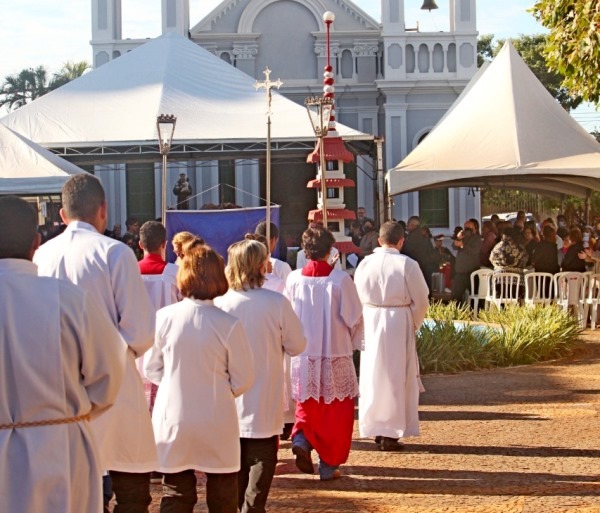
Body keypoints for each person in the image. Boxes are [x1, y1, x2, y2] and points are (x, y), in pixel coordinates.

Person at [33, 174, 157, 513]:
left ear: (62, 215)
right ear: (103, 210)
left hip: (58, 389)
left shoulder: (42, 256)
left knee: (76, 492)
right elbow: (140, 331)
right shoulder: (115, 253)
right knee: (131, 492)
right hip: (114, 384)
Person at [0, 196, 124, 513]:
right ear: (36, 242)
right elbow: (108, 378)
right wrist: (66, 414)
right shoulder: (70, 300)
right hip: (61, 449)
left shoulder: (71, 299)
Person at [145, 244, 255, 513]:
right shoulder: (228, 324)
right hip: (216, 418)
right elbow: (244, 378)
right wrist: (218, 389)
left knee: (176, 492)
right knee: (222, 496)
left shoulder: (164, 318)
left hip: (174, 417)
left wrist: (175, 382)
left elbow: (151, 368)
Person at [215, 239, 306, 513]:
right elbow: (297, 345)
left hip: (228, 391)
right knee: (263, 453)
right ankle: (253, 507)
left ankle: (237, 504)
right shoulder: (276, 302)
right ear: (259, 265)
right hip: (264, 387)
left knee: (235, 457)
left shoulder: (220, 303)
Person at [285, 225, 364, 481]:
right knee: (336, 411)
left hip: (304, 354)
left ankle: (302, 437)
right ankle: (329, 463)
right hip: (334, 352)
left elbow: (287, 315)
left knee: (308, 404)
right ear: (330, 250)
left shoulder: (294, 279)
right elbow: (354, 318)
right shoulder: (340, 280)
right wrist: (351, 343)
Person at [354, 222, 429, 451]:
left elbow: (356, 296)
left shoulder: (365, 264)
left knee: (373, 376)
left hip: (371, 319)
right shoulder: (408, 264)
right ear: (401, 241)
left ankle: (377, 427)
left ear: (379, 240)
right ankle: (391, 433)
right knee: (396, 376)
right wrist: (412, 322)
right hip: (398, 321)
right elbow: (422, 299)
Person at [401, 216, 437, 293]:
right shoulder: (425, 236)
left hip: (415, 270)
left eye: (408, 224)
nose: (407, 227)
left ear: (412, 225)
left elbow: (407, 252)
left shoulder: (412, 237)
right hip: (426, 270)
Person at [450, 219, 483, 303]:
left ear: (475, 229)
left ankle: (474, 314)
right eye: (465, 228)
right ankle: (458, 313)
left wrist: (462, 245)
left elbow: (474, 251)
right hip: (460, 273)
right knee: (456, 296)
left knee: (474, 296)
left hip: (472, 272)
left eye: (469, 228)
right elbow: (454, 246)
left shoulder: (477, 239)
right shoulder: (463, 237)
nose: (466, 230)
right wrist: (458, 238)